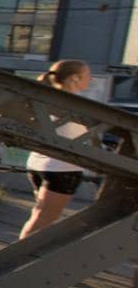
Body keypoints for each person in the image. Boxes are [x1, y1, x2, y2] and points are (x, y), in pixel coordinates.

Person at [19, 59, 93, 239]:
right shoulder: (79, 107)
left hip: (39, 164)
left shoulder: (46, 100)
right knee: (43, 219)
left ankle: (25, 258)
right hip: (63, 169)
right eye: (88, 76)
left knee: (40, 217)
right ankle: (14, 260)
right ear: (74, 79)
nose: (91, 80)